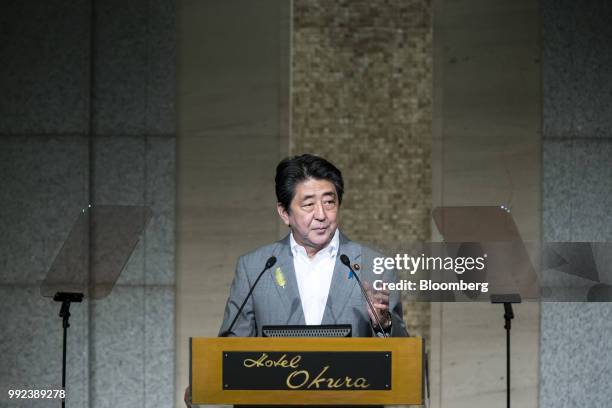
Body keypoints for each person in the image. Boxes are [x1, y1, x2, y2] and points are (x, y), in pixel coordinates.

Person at [218, 154, 407, 337]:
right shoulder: (255, 267)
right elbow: (230, 346)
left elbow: (402, 352)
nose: (321, 214)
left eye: (329, 202)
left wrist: (384, 324)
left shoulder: (374, 265)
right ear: (284, 213)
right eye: (308, 205)